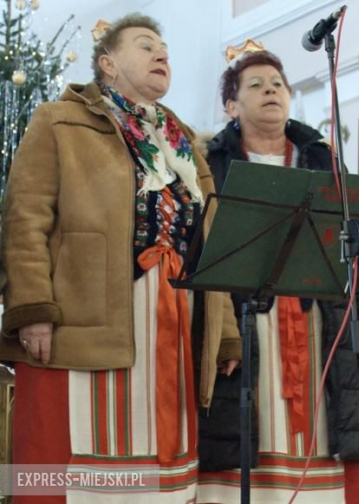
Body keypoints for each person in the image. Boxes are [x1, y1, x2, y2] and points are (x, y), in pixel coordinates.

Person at [0, 14, 240, 503]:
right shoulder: (59, 120)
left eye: (164, 47)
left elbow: (213, 241)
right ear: (107, 63)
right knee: (68, 469)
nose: (161, 54)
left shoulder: (185, 143)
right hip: (85, 320)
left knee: (160, 466)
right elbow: (25, 220)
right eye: (145, 45)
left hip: (175, 323)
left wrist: (225, 335)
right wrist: (32, 309)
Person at [195, 40, 359, 503]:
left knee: (324, 434)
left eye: (278, 84)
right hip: (246, 322)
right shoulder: (211, 165)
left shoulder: (324, 161)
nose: (271, 91)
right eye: (256, 84)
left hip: (317, 322)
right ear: (231, 104)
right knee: (246, 427)